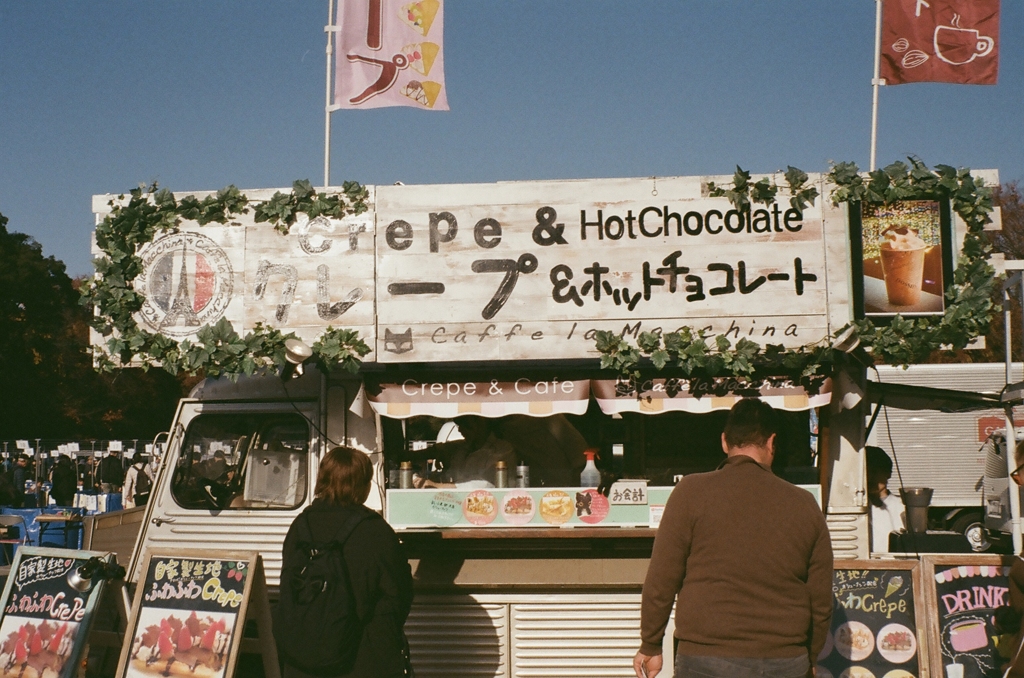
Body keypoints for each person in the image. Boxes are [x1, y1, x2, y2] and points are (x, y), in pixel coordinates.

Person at [633, 398, 833, 678]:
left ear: (724, 442)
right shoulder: (804, 504)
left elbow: (662, 579)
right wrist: (811, 655)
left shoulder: (691, 492)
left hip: (706, 658)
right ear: (772, 442)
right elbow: (821, 598)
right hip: (785, 660)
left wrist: (651, 644)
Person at [278, 446, 413, 678]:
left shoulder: (301, 525)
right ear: (363, 485)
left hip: (303, 659)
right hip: (364, 659)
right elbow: (400, 592)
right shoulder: (375, 530)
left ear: (322, 480)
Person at [414, 415, 516, 489]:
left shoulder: (503, 449)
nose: (460, 430)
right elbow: (437, 450)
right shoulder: (462, 447)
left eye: (465, 424)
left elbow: (485, 483)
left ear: (481, 424)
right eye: (458, 425)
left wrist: (436, 486)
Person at [866, 445, 905, 553]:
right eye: (866, 472)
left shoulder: (902, 506)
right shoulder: (857, 507)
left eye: (875, 472)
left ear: (888, 473)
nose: (870, 478)